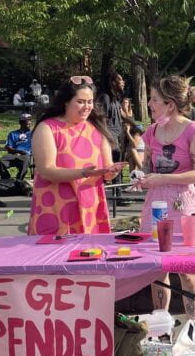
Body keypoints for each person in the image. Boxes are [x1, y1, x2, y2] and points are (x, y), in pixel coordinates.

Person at [137, 76, 195, 334]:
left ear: (169, 104)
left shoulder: (194, 132)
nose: (149, 103)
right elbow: (147, 167)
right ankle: (161, 325)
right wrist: (142, 178)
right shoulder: (151, 132)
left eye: (154, 99)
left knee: (186, 269)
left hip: (182, 206)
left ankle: (193, 326)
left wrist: (162, 178)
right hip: (155, 205)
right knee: (158, 268)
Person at [28, 77, 123, 236]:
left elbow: (106, 172)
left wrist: (112, 171)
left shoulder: (97, 129)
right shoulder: (47, 128)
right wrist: (83, 173)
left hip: (90, 209)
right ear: (66, 102)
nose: (87, 107)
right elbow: (46, 171)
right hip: (55, 209)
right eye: (80, 101)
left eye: (90, 102)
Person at [97, 74, 128, 159]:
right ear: (114, 82)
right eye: (121, 80)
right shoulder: (105, 97)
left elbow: (121, 114)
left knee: (119, 160)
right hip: (110, 136)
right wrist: (107, 138)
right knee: (114, 162)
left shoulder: (115, 97)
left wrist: (135, 127)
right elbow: (102, 118)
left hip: (118, 135)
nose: (123, 82)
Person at [0, 113, 33, 180]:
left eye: (30, 120)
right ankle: (7, 179)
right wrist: (18, 151)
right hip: (13, 154)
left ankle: (18, 182)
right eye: (27, 121)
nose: (29, 122)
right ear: (21, 122)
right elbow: (8, 147)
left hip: (26, 155)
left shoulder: (33, 133)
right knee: (1, 162)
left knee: (24, 163)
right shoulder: (13, 134)